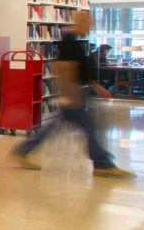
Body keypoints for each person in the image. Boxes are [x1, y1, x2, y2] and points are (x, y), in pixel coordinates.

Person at [11, 9, 133, 178]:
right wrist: (70, 94)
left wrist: (97, 87)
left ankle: (23, 150)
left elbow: (80, 70)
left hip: (76, 92)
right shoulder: (69, 41)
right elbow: (64, 68)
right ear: (80, 22)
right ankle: (102, 164)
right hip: (74, 94)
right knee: (90, 128)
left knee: (59, 126)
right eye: (89, 22)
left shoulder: (76, 41)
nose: (91, 26)